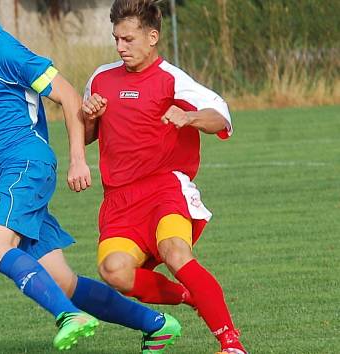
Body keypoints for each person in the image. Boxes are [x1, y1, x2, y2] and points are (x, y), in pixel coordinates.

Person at [0, 0, 182, 352]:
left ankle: (68, 316)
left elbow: (69, 97)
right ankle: (155, 325)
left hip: (25, 163)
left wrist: (78, 159)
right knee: (63, 281)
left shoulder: (13, 54)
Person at [81, 1, 248, 354]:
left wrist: (189, 119)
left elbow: (221, 117)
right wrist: (89, 117)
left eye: (128, 39)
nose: (120, 47)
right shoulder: (100, 78)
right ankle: (190, 296)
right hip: (119, 200)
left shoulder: (172, 79)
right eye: (116, 39)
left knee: (175, 252)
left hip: (164, 189)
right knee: (114, 272)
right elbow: (84, 135)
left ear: (152, 37)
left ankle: (231, 343)